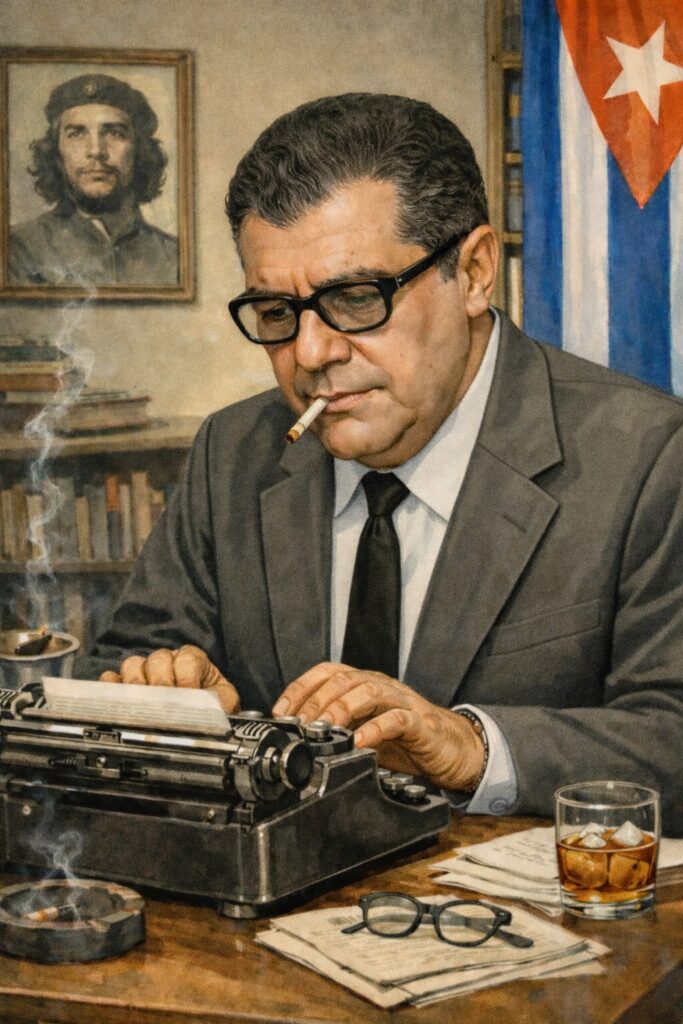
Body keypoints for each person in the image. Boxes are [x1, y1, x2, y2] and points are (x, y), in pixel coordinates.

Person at [79, 93, 683, 835]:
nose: (309, 353)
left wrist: (474, 747)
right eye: (274, 313)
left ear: (473, 272)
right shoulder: (229, 453)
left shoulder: (648, 455)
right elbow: (120, 666)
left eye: (355, 298)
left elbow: (672, 732)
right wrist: (162, 691)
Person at [9, 73, 178, 287]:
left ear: (140, 151)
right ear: (56, 153)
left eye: (115, 133)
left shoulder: (174, 256)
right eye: (77, 134)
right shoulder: (19, 248)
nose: (96, 150)